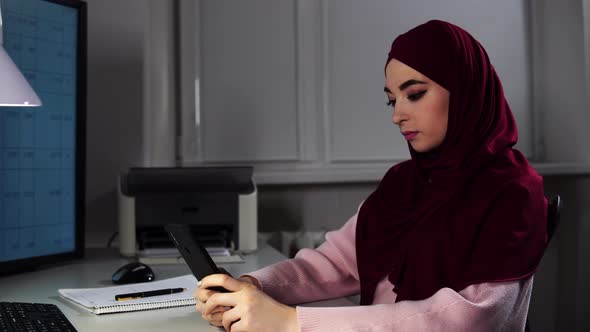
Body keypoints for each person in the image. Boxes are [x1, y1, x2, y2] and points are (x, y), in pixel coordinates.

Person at [195, 19, 548, 332]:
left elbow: (470, 318)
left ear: (467, 91)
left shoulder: (512, 190)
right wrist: (249, 286)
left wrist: (292, 323)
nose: (398, 116)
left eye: (414, 94)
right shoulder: (405, 182)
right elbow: (334, 263)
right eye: (392, 101)